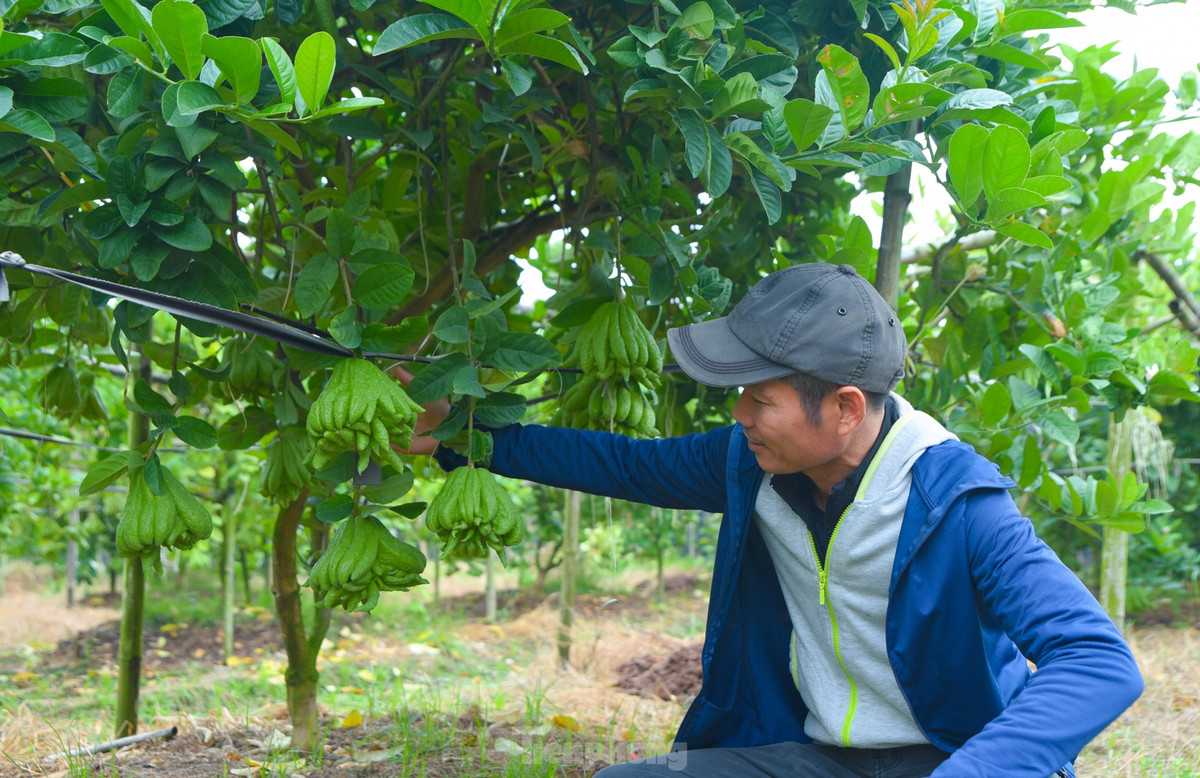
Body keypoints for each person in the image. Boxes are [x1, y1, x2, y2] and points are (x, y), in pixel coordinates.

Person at [399, 263, 1143, 778]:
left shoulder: (959, 505)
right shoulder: (749, 463)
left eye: (759, 398)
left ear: (846, 408)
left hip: (950, 757)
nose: (740, 415)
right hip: (822, 759)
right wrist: (466, 436)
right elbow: (624, 465)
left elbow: (1099, 662)